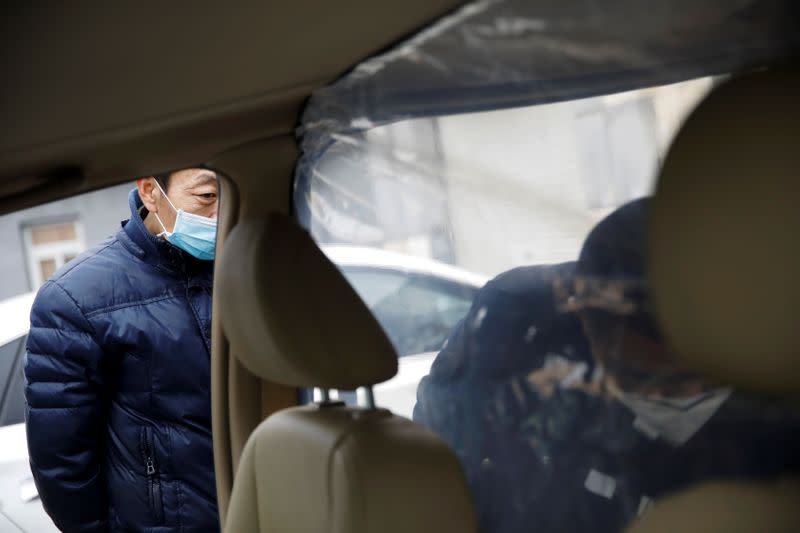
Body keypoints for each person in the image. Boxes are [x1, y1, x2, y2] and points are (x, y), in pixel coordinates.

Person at [415, 197, 800, 533]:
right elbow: (428, 483)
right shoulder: (515, 331)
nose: (605, 347)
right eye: (593, 322)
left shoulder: (775, 435)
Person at [24, 168, 220, 532]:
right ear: (149, 191)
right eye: (207, 197)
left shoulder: (248, 267)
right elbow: (63, 464)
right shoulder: (77, 298)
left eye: (230, 194)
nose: (220, 213)